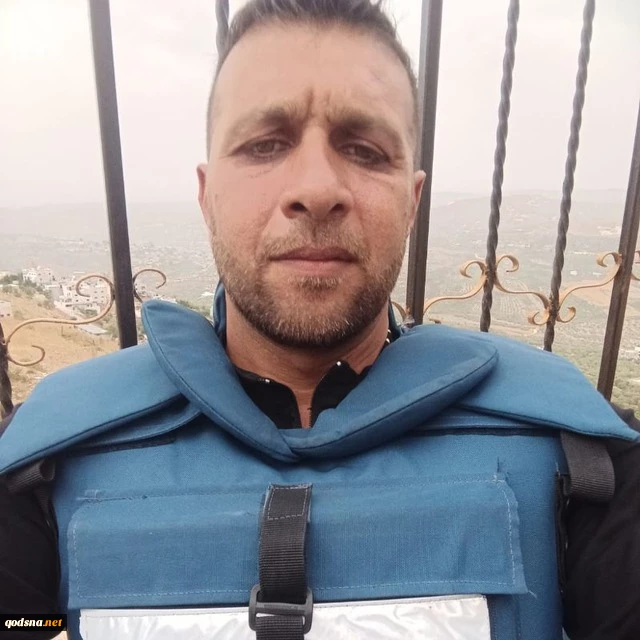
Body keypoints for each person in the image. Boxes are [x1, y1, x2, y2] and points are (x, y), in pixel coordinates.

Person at [1, 1, 639, 639]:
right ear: (206, 195)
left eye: (365, 150)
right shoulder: (42, 469)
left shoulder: (581, 458)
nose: (316, 187)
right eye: (264, 144)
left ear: (412, 202)